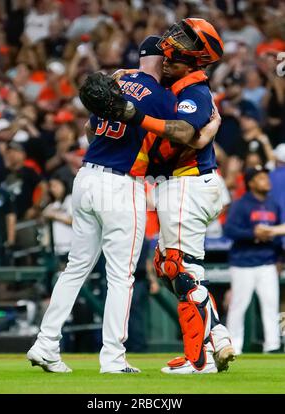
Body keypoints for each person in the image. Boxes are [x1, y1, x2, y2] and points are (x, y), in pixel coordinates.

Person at [27, 36, 218, 374]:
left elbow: (89, 129)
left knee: (75, 268)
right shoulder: (160, 95)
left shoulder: (117, 80)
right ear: (161, 59)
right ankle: (113, 358)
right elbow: (187, 134)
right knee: (121, 277)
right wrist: (212, 126)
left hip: (86, 176)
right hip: (122, 184)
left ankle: (45, 344)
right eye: (169, 56)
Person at [91, 18, 235, 374]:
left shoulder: (194, 90)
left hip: (189, 181)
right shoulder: (171, 83)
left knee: (180, 267)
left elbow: (185, 130)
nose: (173, 42)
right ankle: (215, 332)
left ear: (197, 54)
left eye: (184, 38)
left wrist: (133, 114)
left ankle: (198, 360)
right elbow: (145, 74)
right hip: (176, 183)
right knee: (167, 266)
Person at [225, 165, 282, 355]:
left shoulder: (273, 204)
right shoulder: (241, 204)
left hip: (267, 261)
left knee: (270, 305)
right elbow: (230, 231)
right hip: (243, 262)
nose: (266, 180)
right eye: (261, 178)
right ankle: (234, 346)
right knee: (238, 306)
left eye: (266, 177)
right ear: (251, 183)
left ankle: (272, 346)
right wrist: (253, 233)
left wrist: (280, 258)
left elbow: (280, 233)